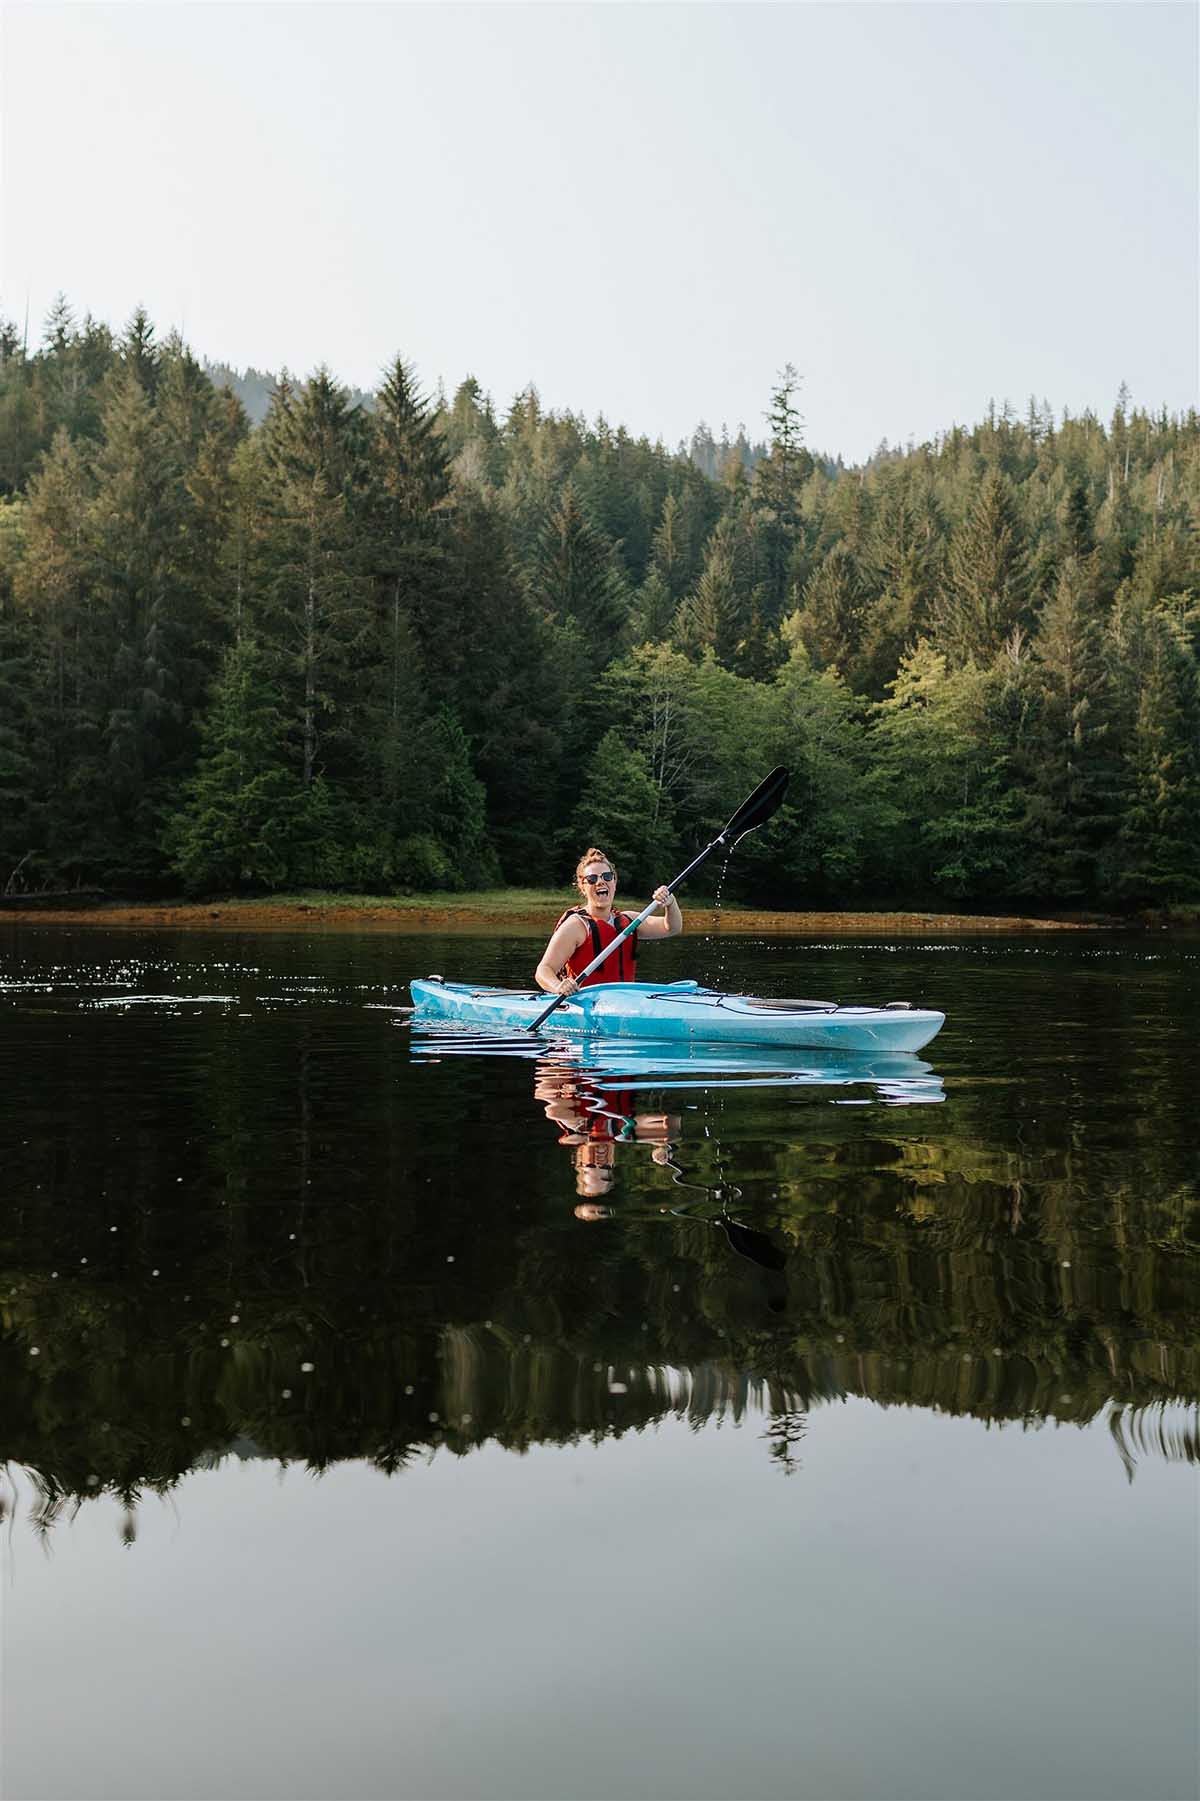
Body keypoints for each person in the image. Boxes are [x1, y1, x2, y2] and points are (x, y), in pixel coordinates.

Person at [534, 848, 682, 997]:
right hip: (585, 1004)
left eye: (607, 876)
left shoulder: (630, 921)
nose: (600, 882)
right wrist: (559, 986)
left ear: (614, 882)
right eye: (592, 879)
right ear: (582, 887)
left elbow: (672, 928)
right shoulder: (576, 926)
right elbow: (544, 970)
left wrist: (670, 902)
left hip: (626, 1003)